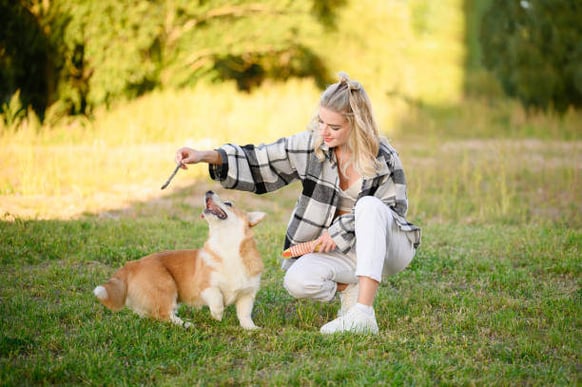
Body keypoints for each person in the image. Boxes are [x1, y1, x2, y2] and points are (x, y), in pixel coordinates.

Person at [175, 72, 421, 334]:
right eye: (321, 122)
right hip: (344, 253)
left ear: (356, 125)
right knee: (297, 281)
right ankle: (351, 288)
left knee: (369, 206)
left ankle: (363, 314)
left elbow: (391, 212)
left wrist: (339, 231)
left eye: (334, 127)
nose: (324, 132)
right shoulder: (313, 145)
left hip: (387, 250)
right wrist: (205, 156)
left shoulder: (383, 157)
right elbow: (260, 159)